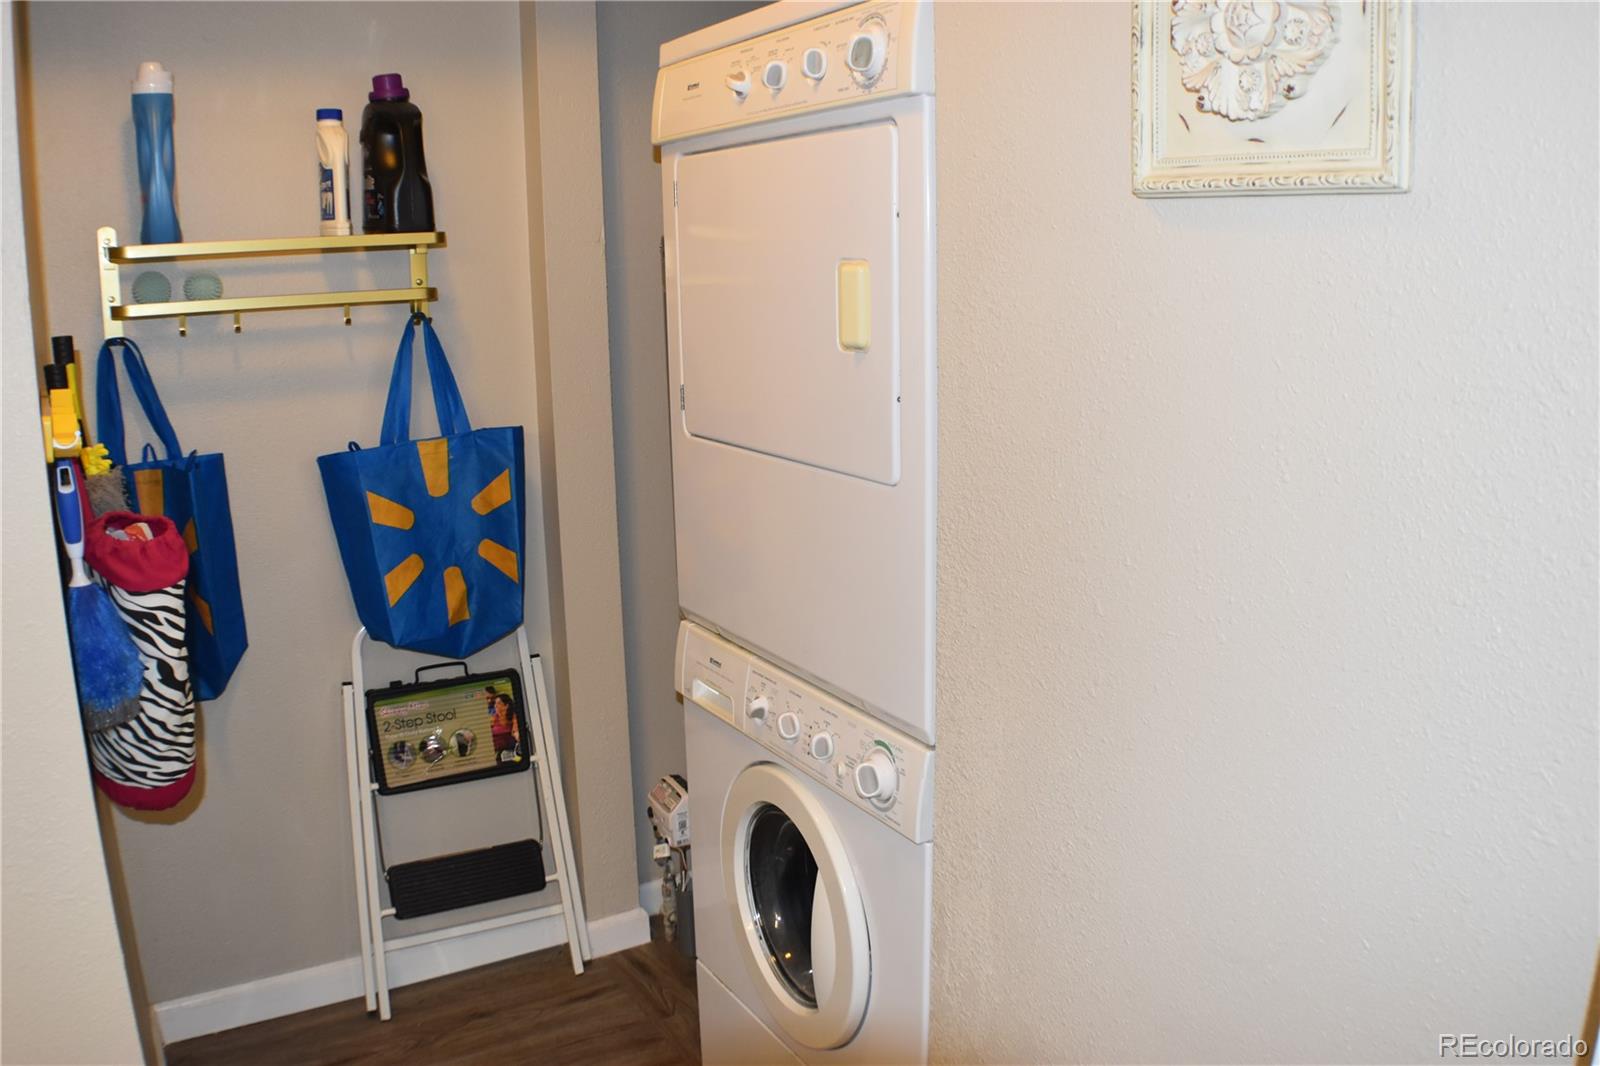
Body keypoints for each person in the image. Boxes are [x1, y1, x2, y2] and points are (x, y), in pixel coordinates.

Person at [489, 692, 521, 757]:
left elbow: (516, 732)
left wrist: (516, 734)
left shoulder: (513, 717)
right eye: (495, 703)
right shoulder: (495, 717)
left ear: (506, 706)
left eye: (499, 703)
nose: (495, 706)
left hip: (506, 750)